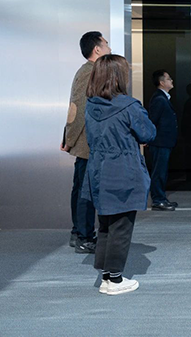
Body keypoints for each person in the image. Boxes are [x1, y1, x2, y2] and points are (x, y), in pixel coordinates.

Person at [82, 54, 156, 295]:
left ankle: (106, 276)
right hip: (123, 169)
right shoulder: (129, 106)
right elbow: (148, 134)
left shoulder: (90, 106)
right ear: (118, 77)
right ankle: (115, 279)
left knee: (105, 224)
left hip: (98, 170)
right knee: (122, 226)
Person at [60, 31, 111, 254]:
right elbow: (77, 108)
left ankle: (79, 233)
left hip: (86, 142)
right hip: (86, 143)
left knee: (82, 189)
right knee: (85, 191)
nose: (109, 47)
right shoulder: (89, 72)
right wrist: (69, 139)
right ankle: (83, 237)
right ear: (97, 49)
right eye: (106, 44)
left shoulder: (93, 71)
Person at [147, 70, 178, 211]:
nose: (171, 81)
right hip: (160, 142)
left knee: (162, 171)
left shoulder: (163, 98)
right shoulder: (159, 99)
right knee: (159, 171)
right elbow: (152, 120)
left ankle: (161, 198)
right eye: (168, 79)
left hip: (164, 141)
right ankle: (158, 199)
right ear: (162, 82)